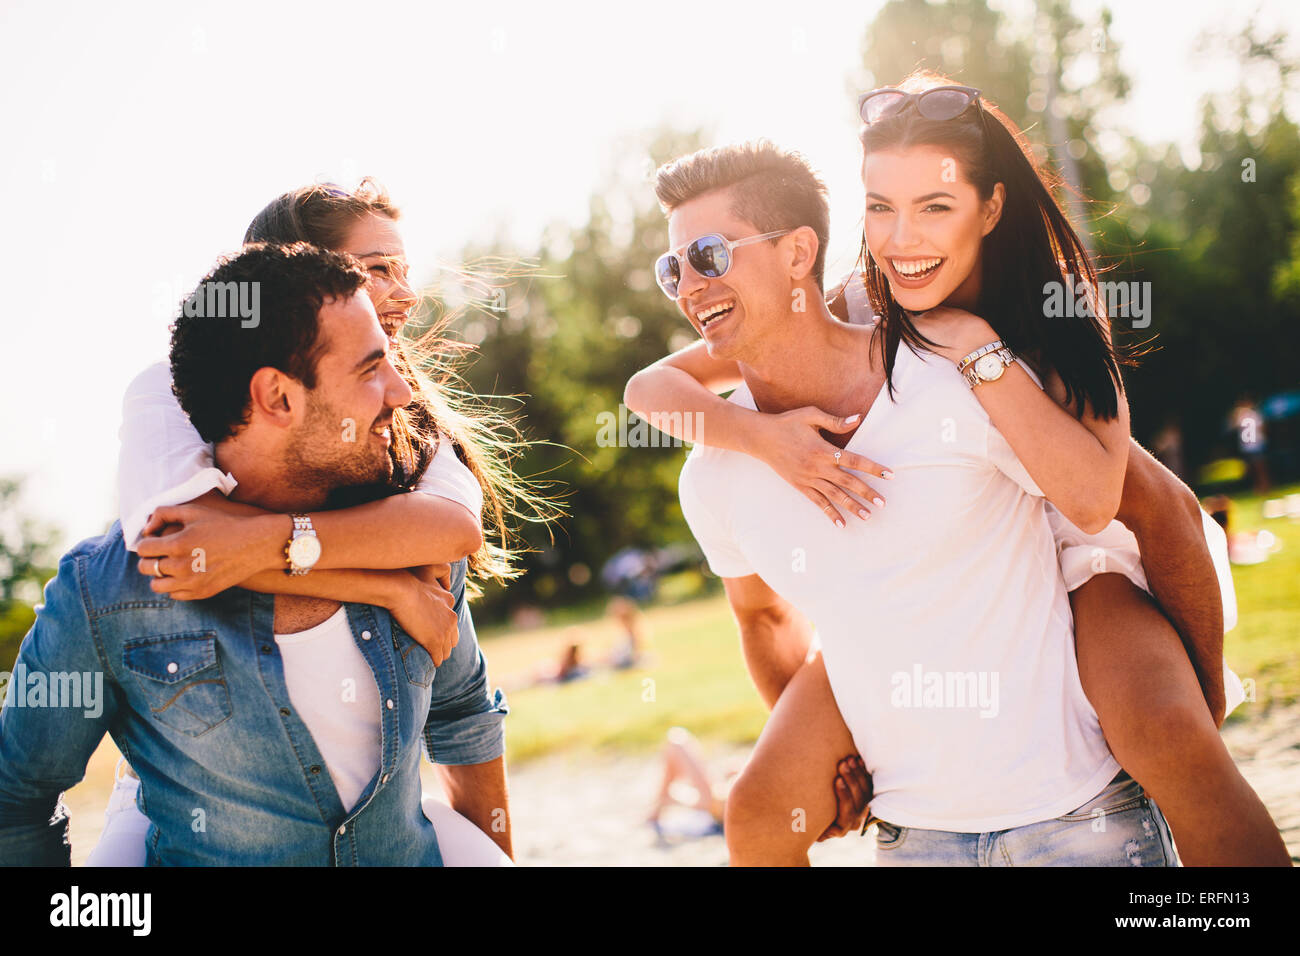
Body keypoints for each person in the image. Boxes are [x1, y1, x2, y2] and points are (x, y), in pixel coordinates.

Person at [625, 79, 1289, 865]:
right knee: (761, 807)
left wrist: (1205, 688)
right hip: (948, 537)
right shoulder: (858, 296)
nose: (902, 238)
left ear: (990, 208)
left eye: (934, 207)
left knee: (1174, 738)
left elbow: (1147, 508)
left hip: (1085, 533)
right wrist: (762, 438)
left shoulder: (1053, 314)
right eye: (880, 208)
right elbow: (650, 386)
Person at [82, 179, 561, 866]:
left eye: (405, 269)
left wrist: (270, 546)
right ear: (307, 283)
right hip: (182, 803)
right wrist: (388, 586)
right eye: (378, 270)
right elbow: (183, 546)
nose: (408, 293)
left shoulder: (411, 431)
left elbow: (452, 534)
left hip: (368, 819)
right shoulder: (166, 390)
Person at [0, 244, 506, 866]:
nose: (402, 392)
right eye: (371, 369)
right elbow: (17, 798)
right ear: (278, 397)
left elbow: (463, 718)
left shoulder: (413, 536)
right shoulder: (105, 592)